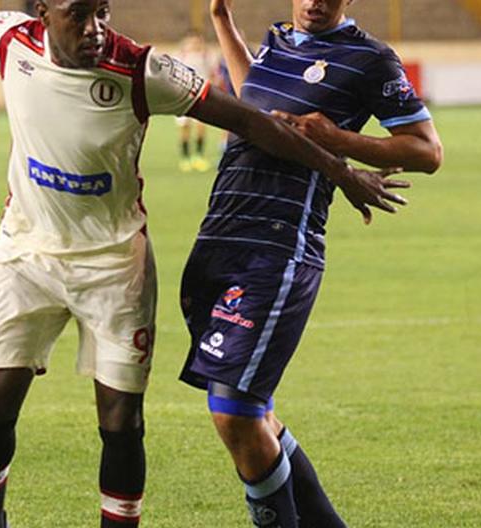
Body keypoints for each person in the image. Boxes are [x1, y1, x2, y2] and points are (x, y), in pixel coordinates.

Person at [0, 1, 406, 527]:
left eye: (102, 12)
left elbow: (249, 121)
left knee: (122, 421)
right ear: (42, 14)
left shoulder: (142, 70)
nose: (95, 28)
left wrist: (342, 172)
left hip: (114, 264)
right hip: (25, 254)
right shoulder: (10, 39)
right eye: (78, 14)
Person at [179, 1, 444, 527]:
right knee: (254, 414)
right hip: (220, 233)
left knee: (233, 414)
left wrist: (337, 140)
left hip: (278, 246)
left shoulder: (370, 60)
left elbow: (427, 150)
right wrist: (222, 22)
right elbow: (251, 95)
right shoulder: (277, 39)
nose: (314, 1)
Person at [175, 31, 217, 173]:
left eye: (197, 41)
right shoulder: (180, 56)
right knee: (185, 127)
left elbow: (212, 75)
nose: (195, 44)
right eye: (192, 41)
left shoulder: (206, 56)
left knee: (201, 127)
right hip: (183, 97)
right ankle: (185, 158)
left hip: (201, 97)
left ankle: (198, 156)